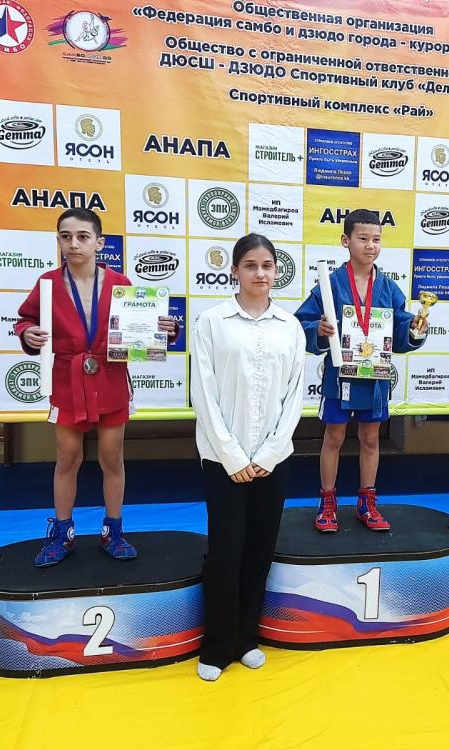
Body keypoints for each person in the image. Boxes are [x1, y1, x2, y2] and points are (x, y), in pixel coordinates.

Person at [15, 208, 178, 567]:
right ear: (58, 240)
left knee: (111, 457)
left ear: (99, 243)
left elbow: (142, 326)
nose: (74, 244)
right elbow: (25, 318)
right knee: (68, 458)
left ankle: (113, 531)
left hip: (111, 376)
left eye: (82, 236)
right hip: (67, 378)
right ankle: (62, 533)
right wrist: (27, 333)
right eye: (66, 236)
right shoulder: (47, 283)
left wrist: (164, 329)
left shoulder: (120, 282)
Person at [190, 233, 305, 682]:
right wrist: (233, 456)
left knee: (259, 551)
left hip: (272, 461)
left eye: (267, 265)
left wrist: (270, 454)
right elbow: (204, 394)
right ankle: (217, 646)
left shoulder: (289, 327)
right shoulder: (212, 322)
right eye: (251, 265)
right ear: (235, 270)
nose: (260, 273)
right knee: (225, 551)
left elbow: (294, 398)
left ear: (276, 272)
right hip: (223, 461)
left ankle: (246, 640)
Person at [295, 209, 427, 533]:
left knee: (370, 437)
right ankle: (327, 502)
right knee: (335, 435)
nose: (370, 245)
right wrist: (318, 330)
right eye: (363, 238)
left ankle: (367, 502)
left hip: (375, 376)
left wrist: (415, 330)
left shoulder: (389, 288)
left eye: (376, 239)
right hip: (340, 374)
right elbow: (300, 323)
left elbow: (400, 329)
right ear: (346, 240)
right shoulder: (329, 285)